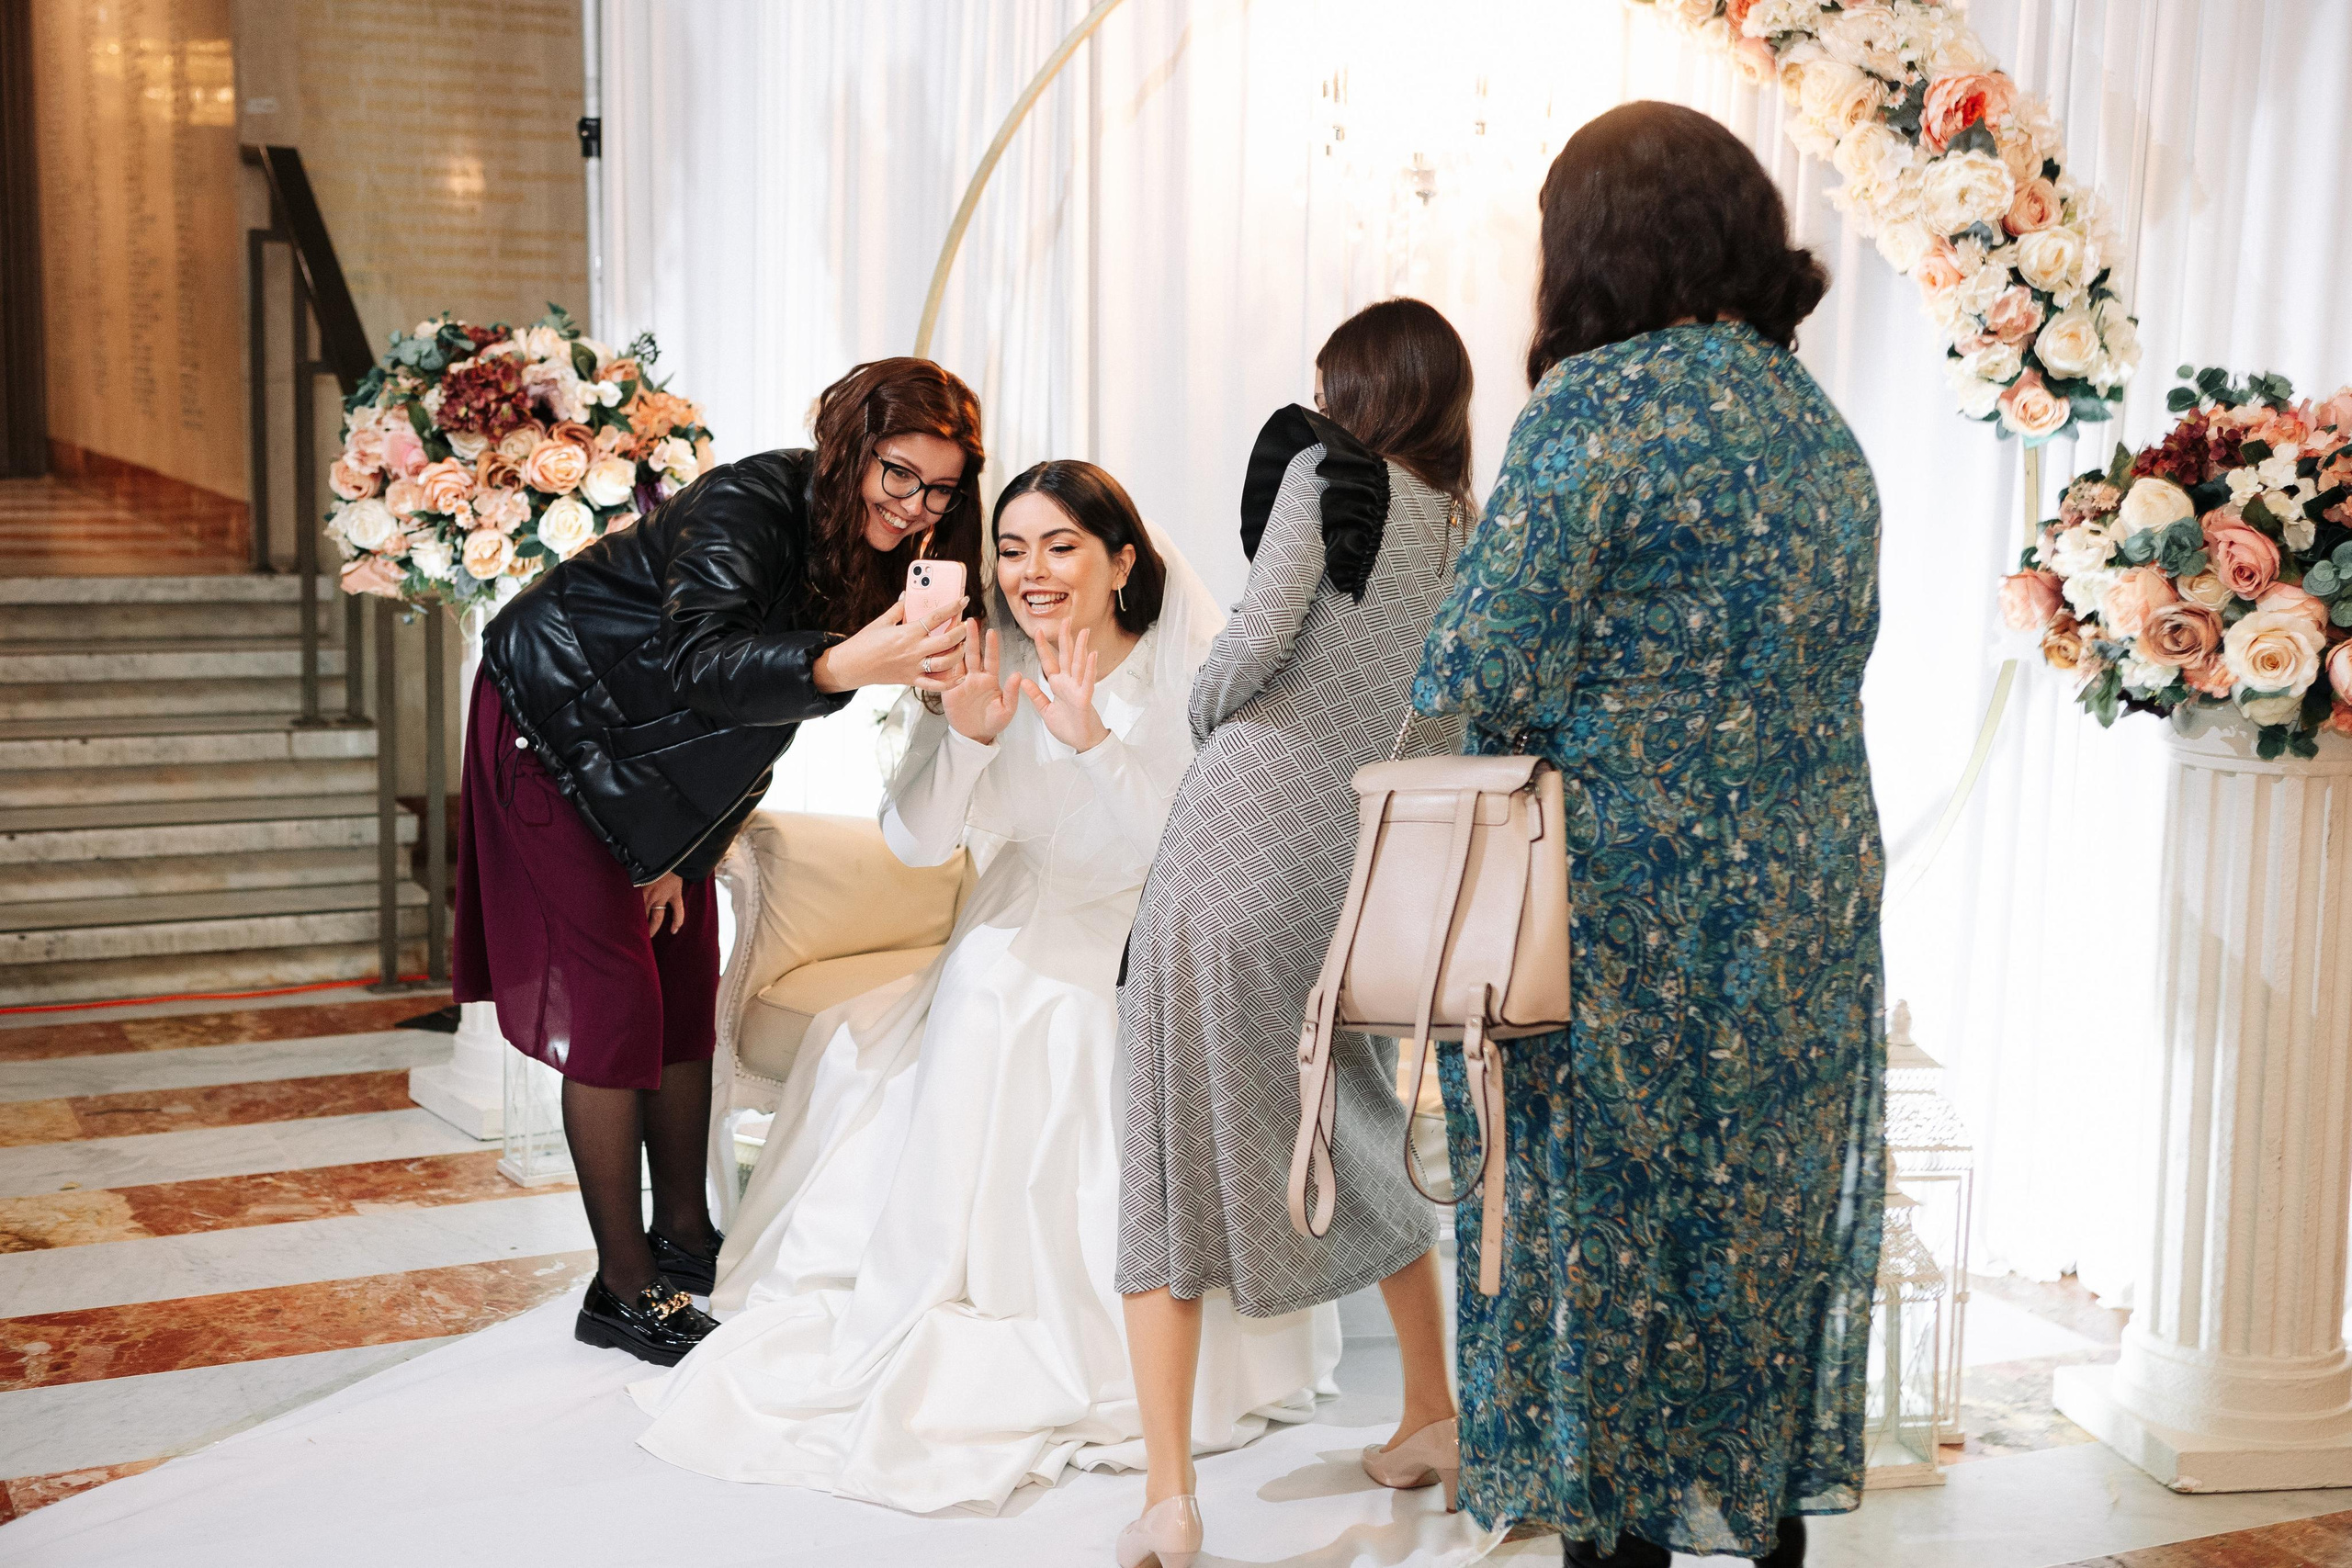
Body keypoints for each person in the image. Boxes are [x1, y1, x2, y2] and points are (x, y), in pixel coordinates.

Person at [629, 460, 1341, 1517]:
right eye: (1011, 549)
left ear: (1122, 562)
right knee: (998, 992)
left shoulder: (1188, 673)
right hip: (1012, 925)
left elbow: (1184, 847)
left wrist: (1090, 742)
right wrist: (963, 738)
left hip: (1152, 934)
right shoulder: (982, 661)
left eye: (1061, 547)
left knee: (1074, 1014)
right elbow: (915, 842)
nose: (1031, 571)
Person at [1409, 101, 1885, 1568]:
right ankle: (1760, 1525)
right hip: (1802, 895)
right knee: (1747, 1248)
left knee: (1591, 1262)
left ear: (1590, 244)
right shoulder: (1814, 420)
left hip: (1616, 907)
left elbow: (1480, 670)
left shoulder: (1598, 408)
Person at [452, 358, 984, 1367]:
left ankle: (687, 1238)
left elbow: (753, 727)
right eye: (897, 474)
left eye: (941, 487)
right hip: (550, 720)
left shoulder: (892, 550)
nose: (916, 507)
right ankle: (620, 1287)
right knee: (615, 1001)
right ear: (850, 451)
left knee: (686, 978)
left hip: (657, 767)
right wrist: (838, 665)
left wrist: (682, 851)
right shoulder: (748, 500)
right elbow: (704, 667)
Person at [1113, 299, 1476, 1566]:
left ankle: (1168, 1492)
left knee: (1162, 1135)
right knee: (1356, 1105)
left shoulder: (1326, 472)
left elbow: (1252, 644)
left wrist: (1204, 706)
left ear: (1360, 388)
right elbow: (1445, 716)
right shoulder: (1467, 525)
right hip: (1359, 867)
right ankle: (1433, 1409)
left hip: (1239, 836)